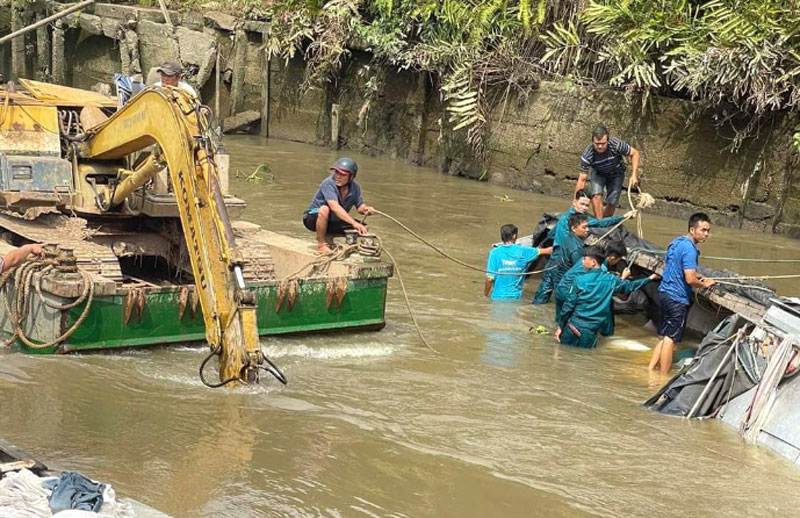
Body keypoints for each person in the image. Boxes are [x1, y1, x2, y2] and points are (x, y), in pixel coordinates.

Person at [649, 212, 716, 373]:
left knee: (665, 335)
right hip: (676, 298)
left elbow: (677, 267)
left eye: (708, 231)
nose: (706, 234)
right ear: (692, 230)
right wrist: (704, 283)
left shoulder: (677, 242)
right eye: (703, 230)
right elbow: (690, 279)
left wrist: (699, 275)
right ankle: (663, 376)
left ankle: (651, 370)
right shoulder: (690, 249)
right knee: (671, 339)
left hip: (664, 293)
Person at [556, 246, 660, 348]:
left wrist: (561, 326)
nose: (582, 261)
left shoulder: (579, 280)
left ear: (593, 262)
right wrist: (649, 278)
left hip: (573, 326)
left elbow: (568, 306)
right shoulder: (611, 280)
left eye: (584, 259)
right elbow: (631, 286)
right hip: (590, 331)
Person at [303, 157, 373, 254]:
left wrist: (365, 209)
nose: (338, 177)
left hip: (333, 220)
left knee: (363, 227)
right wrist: (354, 223)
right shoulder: (328, 183)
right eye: (337, 173)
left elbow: (360, 206)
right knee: (324, 209)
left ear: (351, 177)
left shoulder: (355, 187)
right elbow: (334, 207)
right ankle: (321, 245)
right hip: (312, 218)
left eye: (342, 175)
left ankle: (334, 238)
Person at [575, 125, 640, 219]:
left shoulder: (616, 144)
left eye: (603, 143)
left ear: (608, 141)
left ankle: (604, 224)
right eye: (597, 144)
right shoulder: (588, 155)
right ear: (592, 142)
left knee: (612, 201)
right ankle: (599, 222)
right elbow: (581, 180)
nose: (600, 146)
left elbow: (635, 153)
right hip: (598, 172)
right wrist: (576, 201)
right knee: (596, 194)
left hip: (617, 173)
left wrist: (634, 175)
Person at [484, 224, 553, 300]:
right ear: (514, 236)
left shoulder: (494, 253)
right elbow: (548, 250)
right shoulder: (524, 251)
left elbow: (489, 279)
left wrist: (485, 295)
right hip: (515, 298)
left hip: (497, 297)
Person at [533, 212, 589, 304]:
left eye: (588, 227)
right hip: (565, 284)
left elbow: (550, 234)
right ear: (574, 228)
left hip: (556, 272)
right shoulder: (576, 249)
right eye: (584, 227)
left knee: (543, 294)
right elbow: (580, 270)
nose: (587, 230)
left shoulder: (567, 238)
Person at [548, 190, 635, 248]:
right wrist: (623, 217)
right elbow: (601, 223)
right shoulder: (578, 219)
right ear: (575, 202)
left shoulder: (565, 216)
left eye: (587, 205)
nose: (584, 208)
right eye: (582, 204)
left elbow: (551, 234)